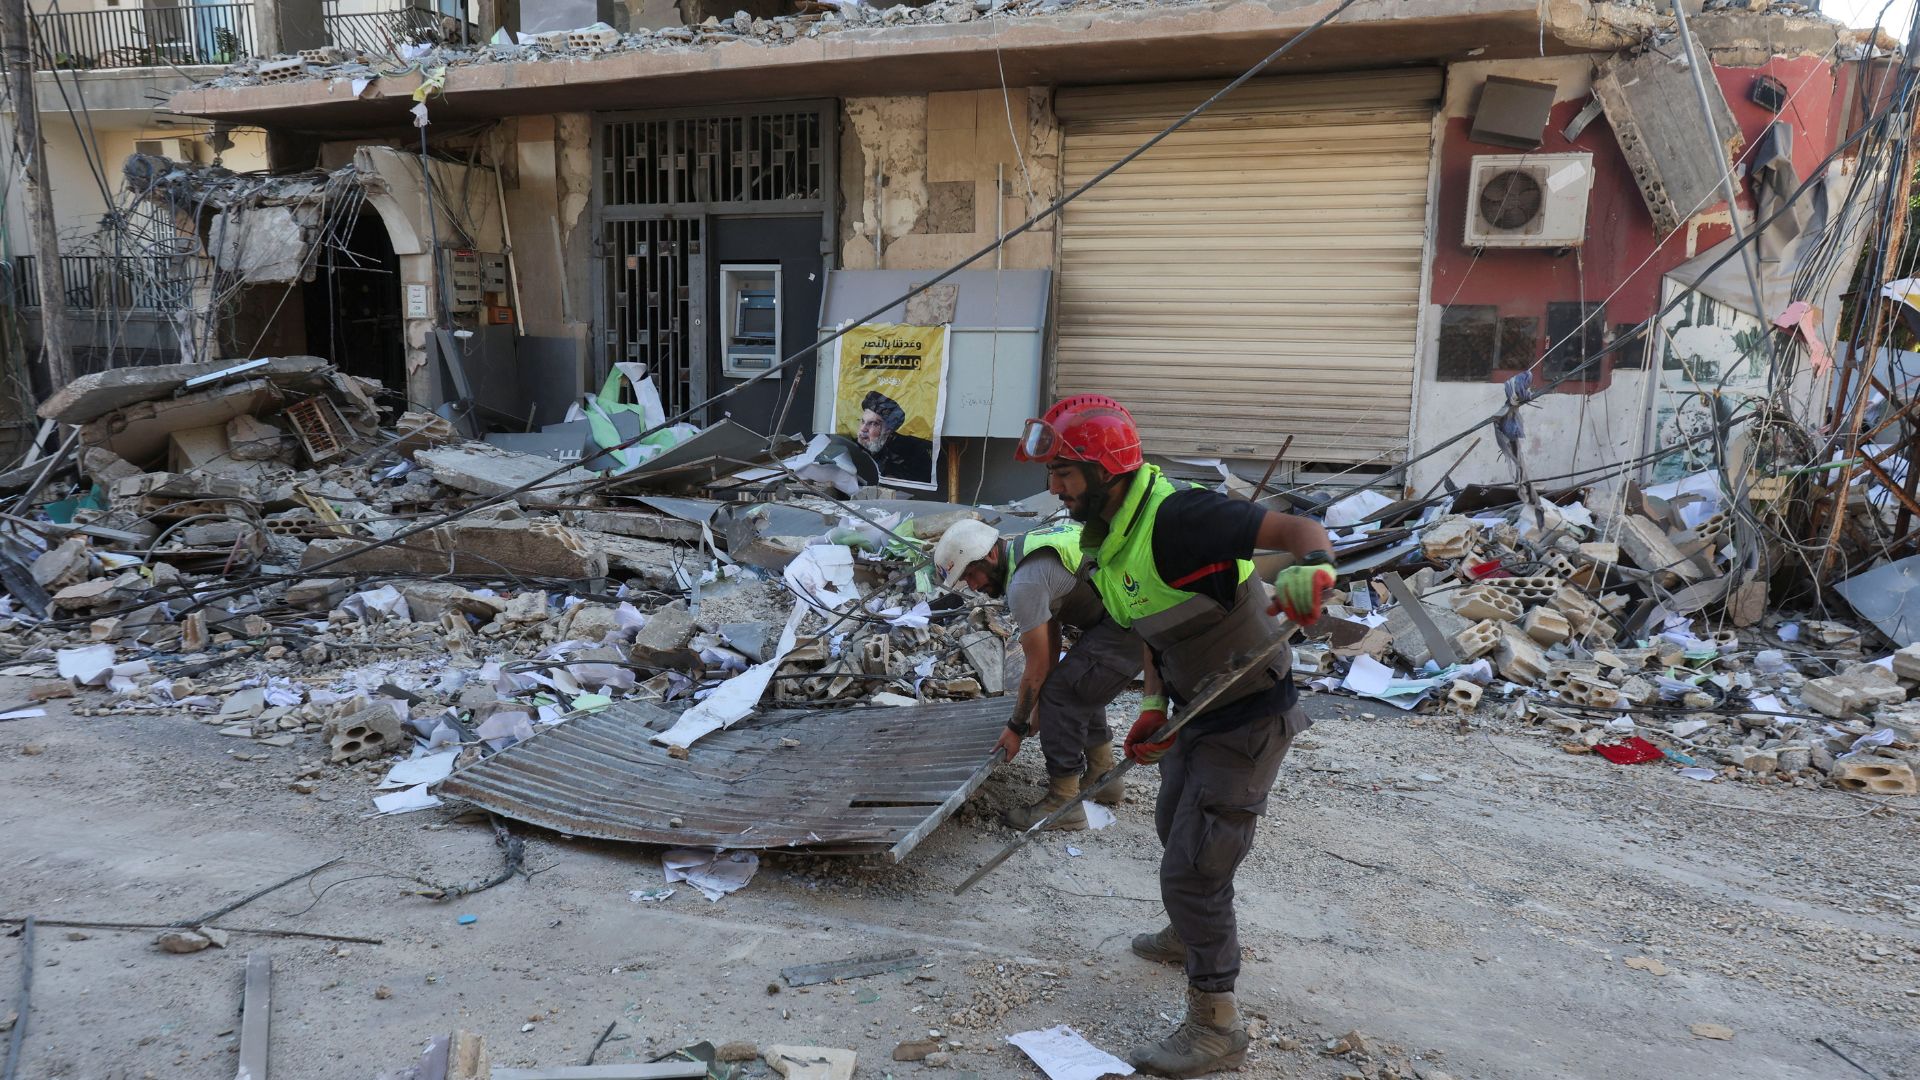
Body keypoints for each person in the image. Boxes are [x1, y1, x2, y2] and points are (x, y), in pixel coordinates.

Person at [1014, 394, 1336, 1079]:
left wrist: (1313, 570)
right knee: (1171, 823)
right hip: (1194, 707)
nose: (1054, 487)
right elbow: (1152, 631)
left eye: (1065, 472)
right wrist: (1154, 707)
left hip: (1246, 711)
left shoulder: (1179, 516)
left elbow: (1299, 530)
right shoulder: (1109, 540)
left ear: (1105, 470)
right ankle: (1187, 931)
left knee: (1196, 866)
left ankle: (1216, 1022)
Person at [933, 518, 1140, 829]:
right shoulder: (1028, 547)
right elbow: (1051, 631)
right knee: (1079, 679)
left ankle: (1063, 802)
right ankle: (1103, 776)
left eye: (972, 574)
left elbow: (1037, 667)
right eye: (965, 581)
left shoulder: (1024, 582)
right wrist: (1034, 707)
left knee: (1060, 693)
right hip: (1129, 614)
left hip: (1132, 623)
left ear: (990, 556)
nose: (973, 587)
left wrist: (1017, 726)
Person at [855, 390, 933, 485]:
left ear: (888, 430)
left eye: (873, 424)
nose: (863, 429)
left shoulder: (912, 452)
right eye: (863, 421)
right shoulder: (852, 445)